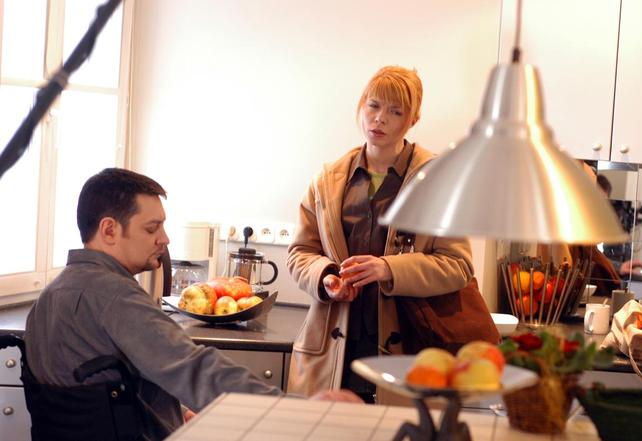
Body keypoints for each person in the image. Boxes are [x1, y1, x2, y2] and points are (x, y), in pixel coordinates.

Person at [24, 168, 359, 440]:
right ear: (109, 230)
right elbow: (195, 369)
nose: (165, 239)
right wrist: (303, 412)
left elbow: (100, 394)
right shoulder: (115, 297)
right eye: (152, 228)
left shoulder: (48, 300)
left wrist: (176, 412)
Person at [286, 66, 498, 404]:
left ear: (412, 120)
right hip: (335, 348)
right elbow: (300, 252)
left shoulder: (438, 180)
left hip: (409, 350)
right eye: (373, 106)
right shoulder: (327, 180)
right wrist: (325, 277)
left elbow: (457, 265)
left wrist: (389, 268)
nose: (380, 119)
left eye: (395, 111)